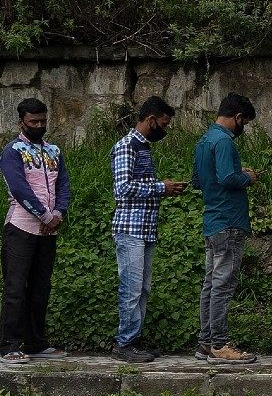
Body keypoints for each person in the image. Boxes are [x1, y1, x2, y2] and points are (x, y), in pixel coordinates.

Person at [111, 96, 189, 362]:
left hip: (145, 229)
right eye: (163, 123)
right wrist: (160, 187)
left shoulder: (142, 147)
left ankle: (135, 338)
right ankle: (124, 343)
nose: (164, 129)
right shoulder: (126, 146)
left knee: (142, 289)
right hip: (130, 229)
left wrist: (165, 189)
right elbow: (121, 189)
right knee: (131, 288)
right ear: (151, 120)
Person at [0, 98, 72, 365]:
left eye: (43, 121)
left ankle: (35, 342)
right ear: (21, 122)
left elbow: (63, 184)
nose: (39, 126)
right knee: (16, 288)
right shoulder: (12, 151)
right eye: (33, 122)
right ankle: (10, 345)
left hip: (49, 230)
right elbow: (19, 188)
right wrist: (44, 215)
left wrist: (58, 214)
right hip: (20, 227)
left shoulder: (54, 151)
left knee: (41, 287)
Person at [192, 92, 260, 363]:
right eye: (245, 122)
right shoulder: (224, 141)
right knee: (222, 285)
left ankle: (205, 342)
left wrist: (233, 171)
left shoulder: (204, 140)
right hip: (229, 221)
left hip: (212, 219)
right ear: (238, 118)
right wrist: (247, 176)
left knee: (210, 284)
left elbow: (198, 180)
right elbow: (228, 177)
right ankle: (219, 344)